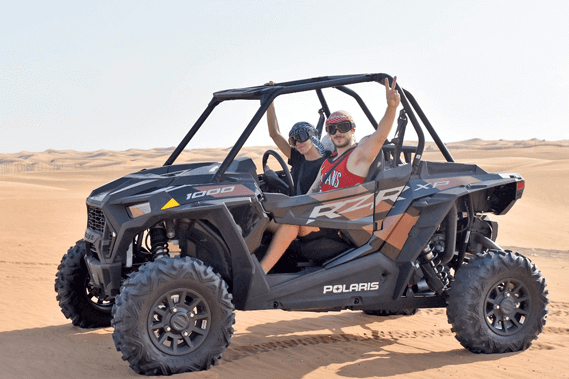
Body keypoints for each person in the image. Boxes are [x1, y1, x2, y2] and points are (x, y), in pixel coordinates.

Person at [260, 77, 401, 273]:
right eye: (331, 129)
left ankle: (259, 274)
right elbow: (308, 197)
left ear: (352, 129)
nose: (337, 132)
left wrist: (391, 108)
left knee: (291, 223)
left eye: (342, 127)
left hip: (340, 225)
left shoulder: (357, 156)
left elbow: (379, 136)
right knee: (266, 220)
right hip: (320, 218)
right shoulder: (327, 163)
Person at [266, 100, 328, 195]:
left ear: (312, 137)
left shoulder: (327, 163)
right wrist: (270, 102)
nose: (297, 143)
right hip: (292, 204)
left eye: (301, 137)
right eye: (293, 141)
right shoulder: (298, 157)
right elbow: (274, 134)